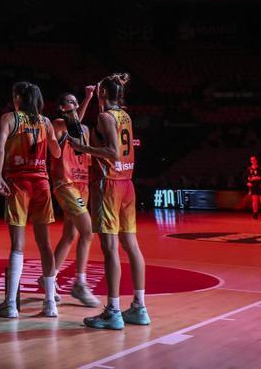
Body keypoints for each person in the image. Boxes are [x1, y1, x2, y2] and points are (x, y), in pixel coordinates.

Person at [70, 73, 150, 331]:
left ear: (103, 94)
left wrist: (84, 150)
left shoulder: (104, 117)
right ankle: (139, 306)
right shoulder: (125, 116)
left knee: (111, 249)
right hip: (128, 184)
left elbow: (113, 152)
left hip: (109, 185)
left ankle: (113, 310)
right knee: (132, 245)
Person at [0, 81, 61, 319]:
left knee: (17, 246)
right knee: (45, 245)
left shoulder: (9, 118)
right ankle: (50, 303)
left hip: (18, 184)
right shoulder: (46, 122)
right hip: (41, 183)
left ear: (18, 98)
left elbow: (0, 149)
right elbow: (56, 153)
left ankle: (11, 304)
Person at [49, 92, 101, 307]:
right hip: (65, 183)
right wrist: (89, 98)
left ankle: (48, 279)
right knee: (88, 230)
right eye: (70, 102)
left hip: (82, 184)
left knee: (70, 235)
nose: (75, 105)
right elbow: (73, 123)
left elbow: (79, 126)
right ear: (62, 108)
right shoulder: (58, 124)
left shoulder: (85, 130)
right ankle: (80, 283)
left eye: (76, 102)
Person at [244, 156, 261, 220]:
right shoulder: (249, 168)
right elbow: (245, 177)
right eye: (251, 160)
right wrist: (247, 183)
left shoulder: (260, 168)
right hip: (253, 186)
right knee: (254, 200)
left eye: (254, 160)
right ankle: (255, 214)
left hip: (260, 185)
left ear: (256, 160)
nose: (253, 161)